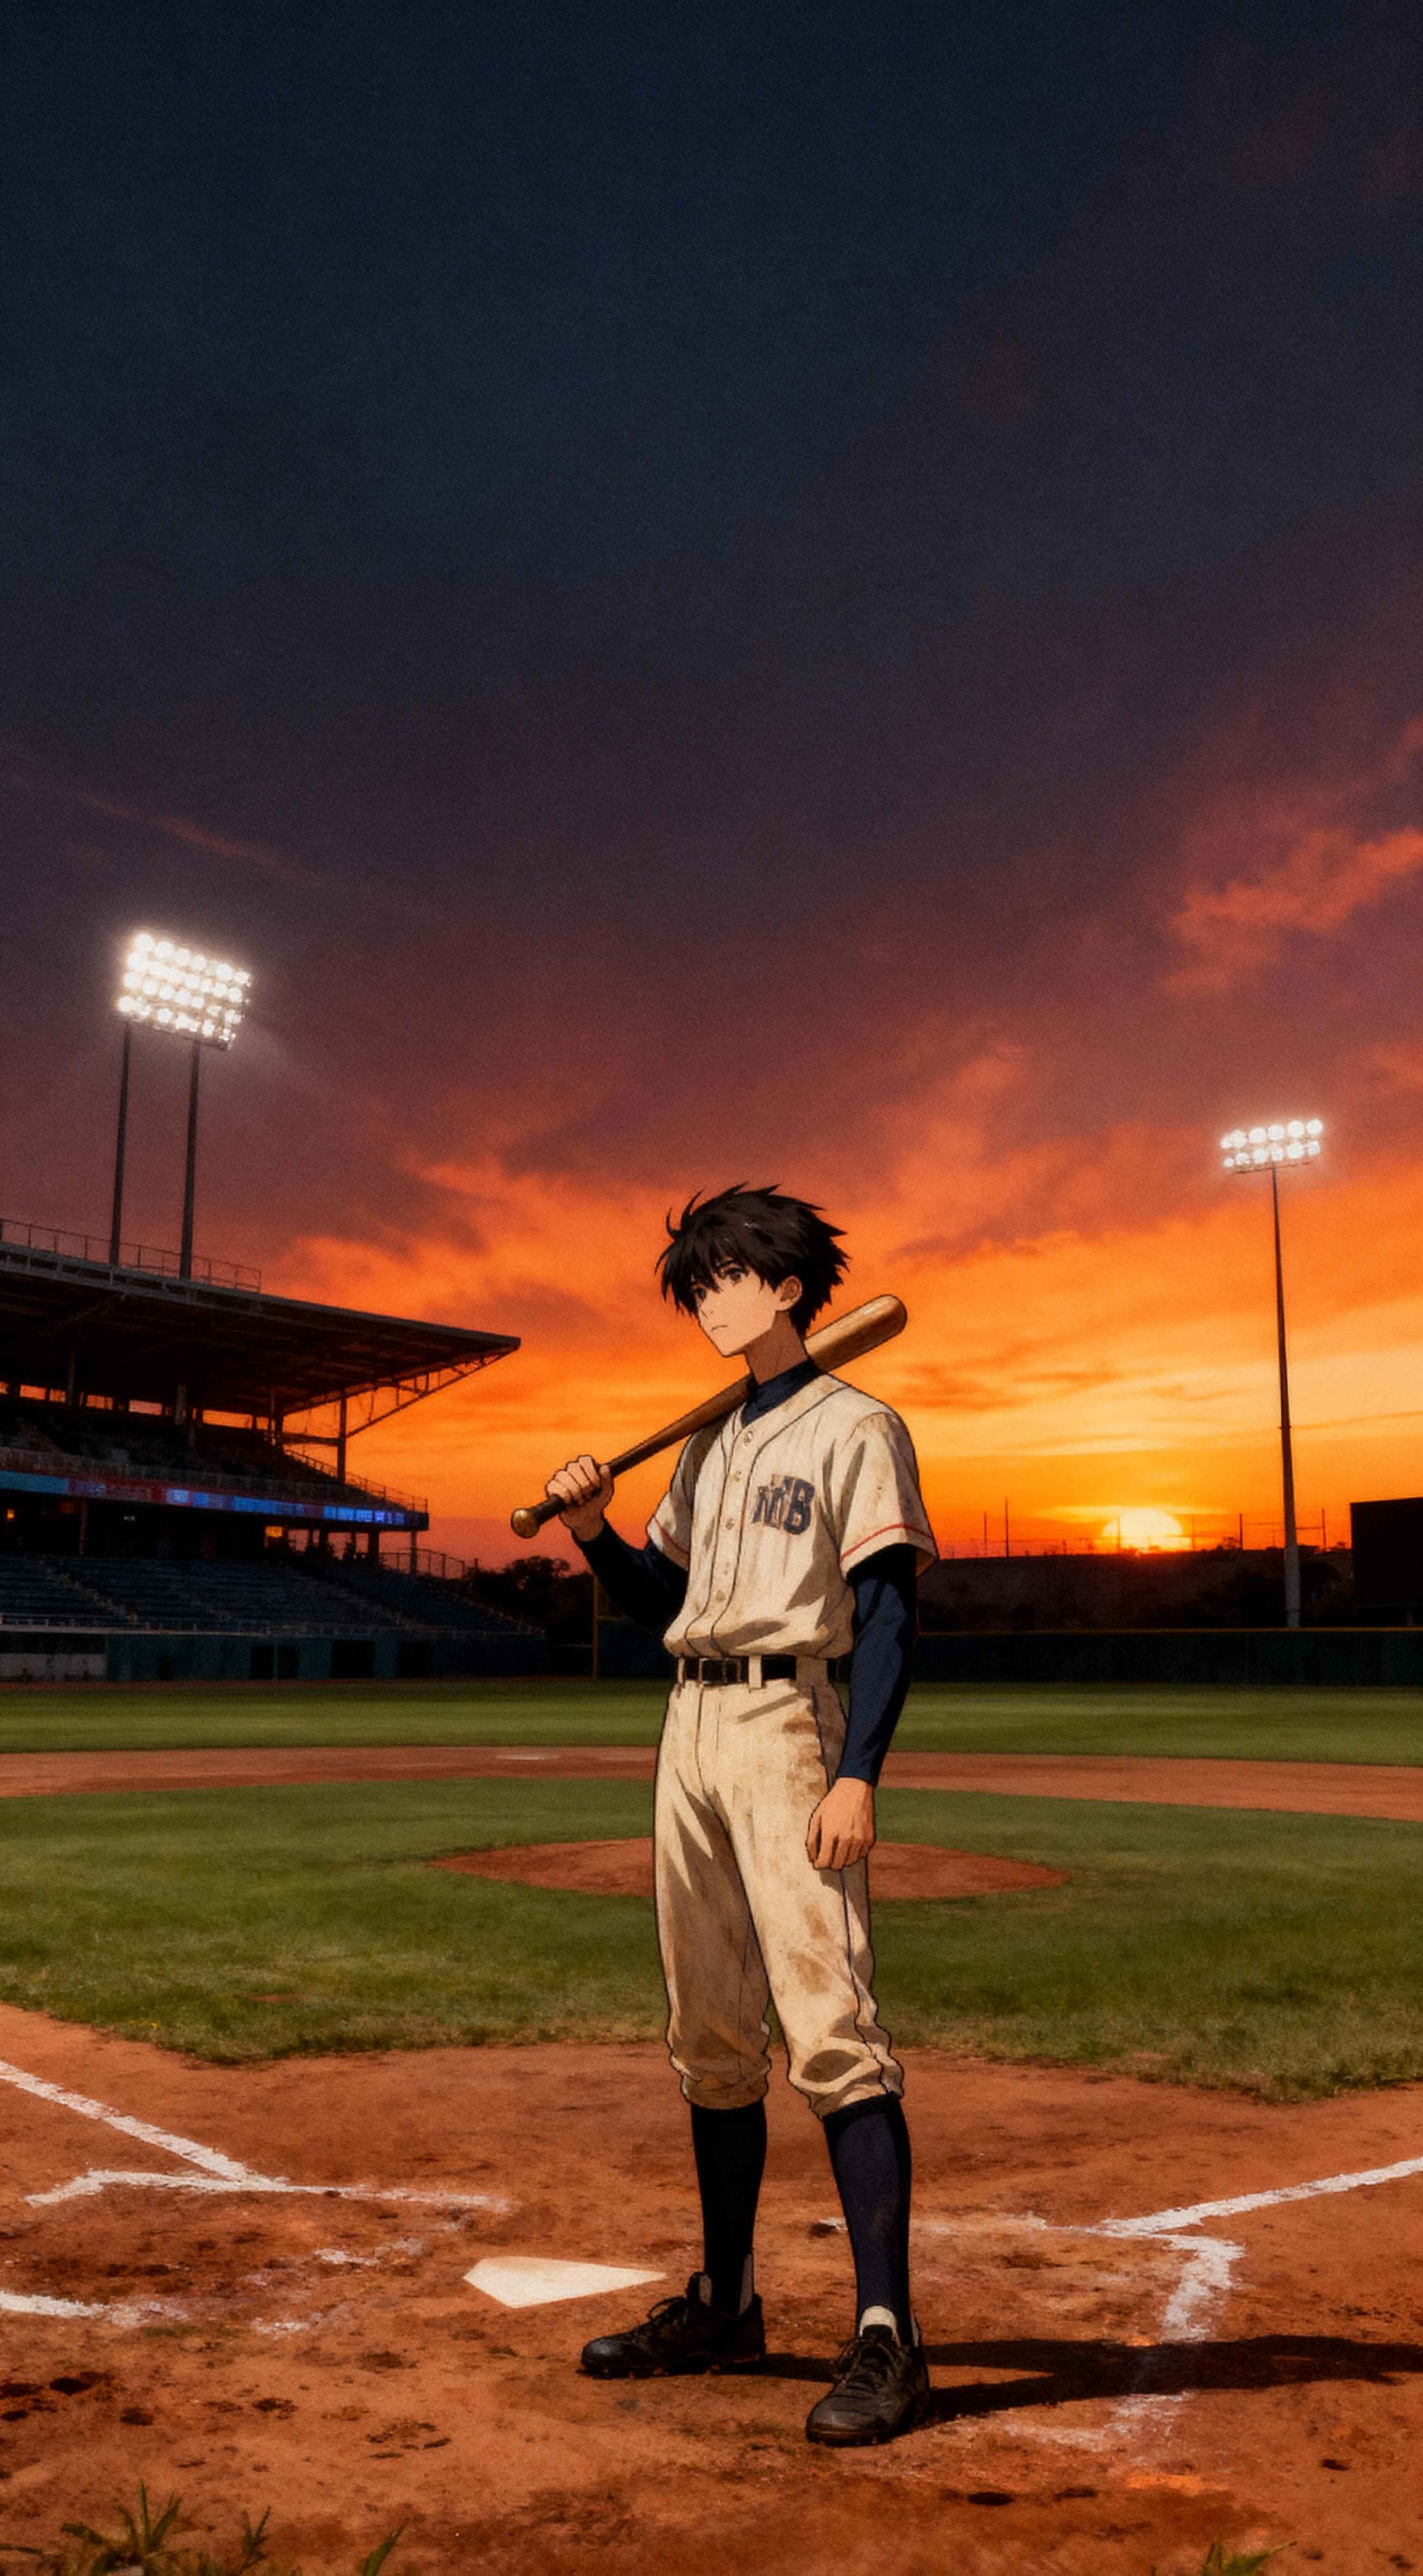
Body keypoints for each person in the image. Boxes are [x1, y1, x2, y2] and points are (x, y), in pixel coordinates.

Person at [545, 1185, 937, 2445]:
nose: (709, 1302)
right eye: (695, 1285)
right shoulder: (706, 1443)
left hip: (788, 1727)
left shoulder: (858, 1425)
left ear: (783, 1286)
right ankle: (726, 2301)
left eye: (726, 1279)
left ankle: (889, 2338)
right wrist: (598, 1529)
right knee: (709, 2029)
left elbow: (885, 1612)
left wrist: (859, 1772)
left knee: (830, 2028)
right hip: (689, 1727)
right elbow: (664, 1589)